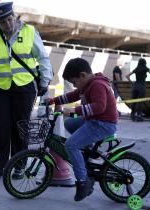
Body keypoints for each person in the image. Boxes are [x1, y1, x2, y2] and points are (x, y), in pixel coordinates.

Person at [0, 2, 53, 180]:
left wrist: (44, 81)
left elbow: (42, 57)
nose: (9, 25)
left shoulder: (29, 31)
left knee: (21, 127)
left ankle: (19, 165)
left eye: (10, 19)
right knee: (2, 127)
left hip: (25, 86)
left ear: (15, 16)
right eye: (3, 22)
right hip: (0, 87)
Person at [46, 58, 118, 201]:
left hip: (103, 124)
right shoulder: (87, 85)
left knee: (71, 145)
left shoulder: (97, 85)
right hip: (94, 121)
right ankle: (88, 150)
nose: (74, 85)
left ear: (83, 75)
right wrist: (55, 100)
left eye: (74, 82)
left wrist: (75, 110)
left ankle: (83, 182)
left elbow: (99, 107)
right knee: (70, 124)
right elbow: (73, 95)